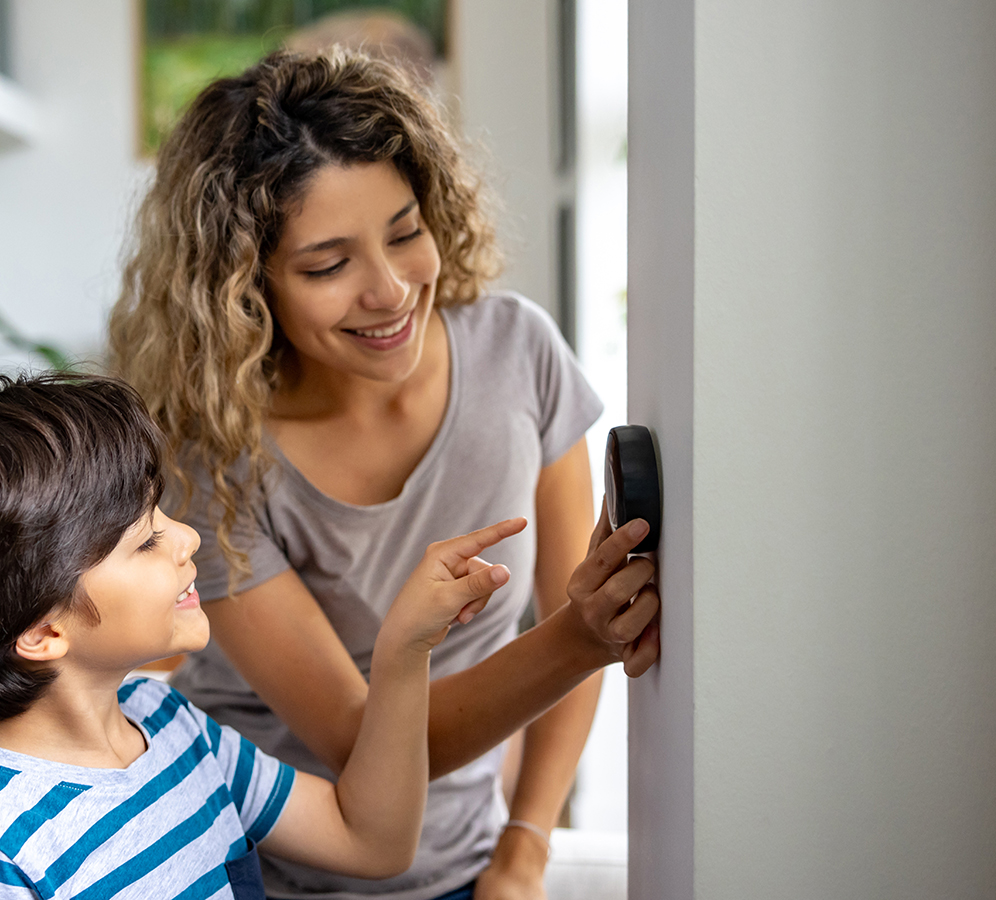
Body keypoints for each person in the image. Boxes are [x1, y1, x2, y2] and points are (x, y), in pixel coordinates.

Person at [108, 49, 660, 900]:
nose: (393, 290)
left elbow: (565, 606)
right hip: (244, 874)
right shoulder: (210, 454)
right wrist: (580, 639)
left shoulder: (519, 354)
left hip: (462, 866)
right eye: (328, 266)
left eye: (405, 232)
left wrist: (525, 848)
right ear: (245, 287)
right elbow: (364, 744)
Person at [0, 374, 654, 900]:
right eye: (145, 540)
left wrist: (405, 651)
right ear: (44, 630)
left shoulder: (163, 723)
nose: (187, 536)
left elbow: (374, 840)